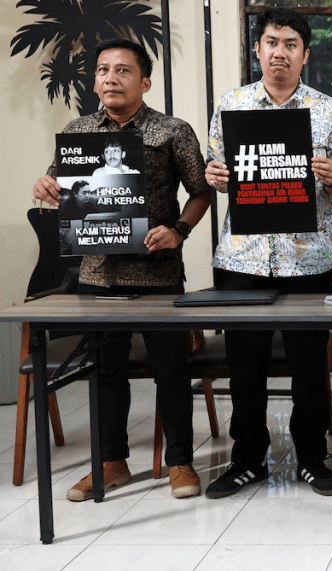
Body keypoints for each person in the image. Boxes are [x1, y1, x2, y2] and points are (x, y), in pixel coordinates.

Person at [32, 38, 211, 500]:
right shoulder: (78, 132)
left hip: (158, 271)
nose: (111, 77)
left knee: (170, 369)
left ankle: (180, 462)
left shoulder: (173, 130)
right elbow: (58, 185)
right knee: (105, 369)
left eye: (123, 70)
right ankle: (110, 462)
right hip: (98, 273)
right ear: (94, 80)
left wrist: (178, 230)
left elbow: (201, 191)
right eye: (103, 70)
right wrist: (47, 187)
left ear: (145, 81)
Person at [204, 8, 332, 498]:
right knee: (244, 365)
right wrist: (215, 176)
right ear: (258, 49)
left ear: (305, 54)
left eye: (291, 44)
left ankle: (312, 457)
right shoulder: (232, 105)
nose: (280, 53)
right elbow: (216, 168)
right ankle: (247, 459)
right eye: (271, 42)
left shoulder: (330, 111)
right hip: (243, 259)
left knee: (309, 365)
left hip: (308, 260)